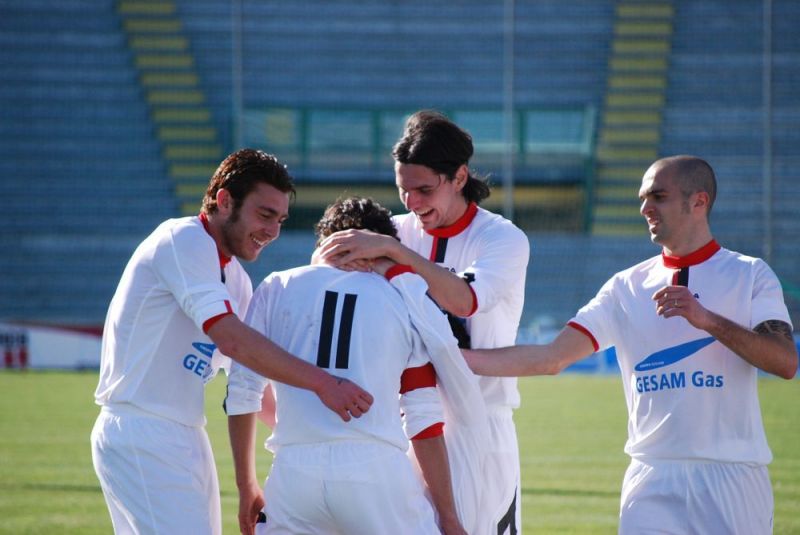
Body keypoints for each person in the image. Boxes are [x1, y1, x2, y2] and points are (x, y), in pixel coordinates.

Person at [464, 155, 798, 534]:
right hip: (651, 479)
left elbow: (785, 362)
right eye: (642, 199)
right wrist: (455, 358)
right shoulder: (625, 287)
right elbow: (551, 358)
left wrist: (706, 319)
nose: (645, 208)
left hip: (732, 478)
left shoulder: (750, 274)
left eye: (658, 197)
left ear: (699, 201)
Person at [90, 149, 373, 535]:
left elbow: (251, 384)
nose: (272, 231)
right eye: (265, 214)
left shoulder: (236, 279)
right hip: (143, 430)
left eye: (280, 220)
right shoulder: (183, 239)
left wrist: (331, 438)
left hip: (186, 433)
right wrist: (324, 383)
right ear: (224, 201)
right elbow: (233, 341)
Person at [316, 110, 530, 534]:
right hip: (405, 426)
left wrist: (395, 254)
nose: (412, 203)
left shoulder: (502, 238)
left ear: (459, 177)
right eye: (403, 190)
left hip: (479, 426)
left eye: (424, 190)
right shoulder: (393, 231)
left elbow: (465, 301)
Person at [226, 197, 481, 535]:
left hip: (293, 474)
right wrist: (448, 516)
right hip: (375, 473)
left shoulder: (277, 286)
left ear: (324, 242)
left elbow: (243, 391)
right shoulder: (404, 297)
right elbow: (423, 419)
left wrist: (246, 486)